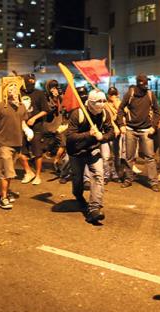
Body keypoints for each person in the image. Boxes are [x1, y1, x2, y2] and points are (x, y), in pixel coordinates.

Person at [66, 89, 114, 224]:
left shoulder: (104, 113)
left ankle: (94, 209)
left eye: (104, 101)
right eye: (99, 101)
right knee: (78, 179)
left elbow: (111, 132)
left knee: (99, 175)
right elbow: (69, 137)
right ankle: (78, 194)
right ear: (91, 103)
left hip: (93, 149)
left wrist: (102, 137)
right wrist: (89, 134)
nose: (102, 104)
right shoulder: (78, 114)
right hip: (76, 152)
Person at [0, 80, 33, 209]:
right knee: (8, 172)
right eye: (10, 87)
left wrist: (28, 131)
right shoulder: (0, 107)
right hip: (4, 143)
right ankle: (3, 198)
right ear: (5, 91)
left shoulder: (22, 107)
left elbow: (23, 123)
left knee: (7, 172)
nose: (12, 89)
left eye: (15, 87)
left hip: (17, 143)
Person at [116, 74, 160, 192]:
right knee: (129, 157)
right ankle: (128, 179)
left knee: (150, 157)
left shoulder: (150, 94)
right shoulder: (130, 93)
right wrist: (121, 125)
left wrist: (154, 126)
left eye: (147, 82)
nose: (146, 85)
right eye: (145, 83)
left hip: (146, 130)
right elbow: (120, 109)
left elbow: (157, 111)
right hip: (131, 129)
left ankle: (153, 182)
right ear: (139, 83)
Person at [19, 73, 50, 185]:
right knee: (20, 152)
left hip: (36, 127)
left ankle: (37, 175)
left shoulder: (39, 94)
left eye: (33, 80)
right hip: (21, 127)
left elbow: (46, 110)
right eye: (29, 80)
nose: (31, 82)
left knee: (37, 152)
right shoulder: (19, 93)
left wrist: (34, 118)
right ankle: (28, 172)